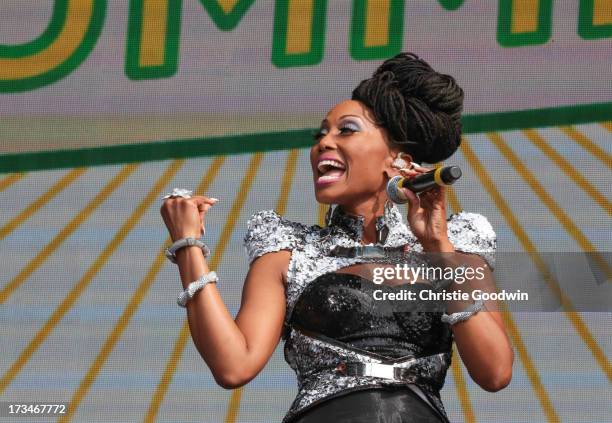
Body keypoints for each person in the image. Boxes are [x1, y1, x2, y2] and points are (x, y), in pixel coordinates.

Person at [160, 52, 514, 423]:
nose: (323, 144)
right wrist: (188, 246)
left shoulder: (458, 242)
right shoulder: (288, 250)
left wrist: (438, 248)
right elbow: (234, 366)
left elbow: (494, 372)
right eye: (321, 134)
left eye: (345, 130)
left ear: (397, 159)